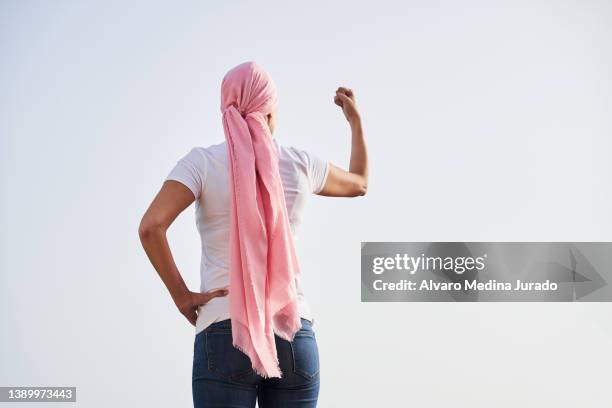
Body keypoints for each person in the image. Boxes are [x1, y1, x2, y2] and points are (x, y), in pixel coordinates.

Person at [138, 61, 368, 408]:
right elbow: (359, 183)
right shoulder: (300, 163)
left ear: (226, 109)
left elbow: (151, 226)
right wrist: (355, 121)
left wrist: (182, 296)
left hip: (223, 328)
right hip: (293, 332)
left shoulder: (201, 163)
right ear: (271, 113)